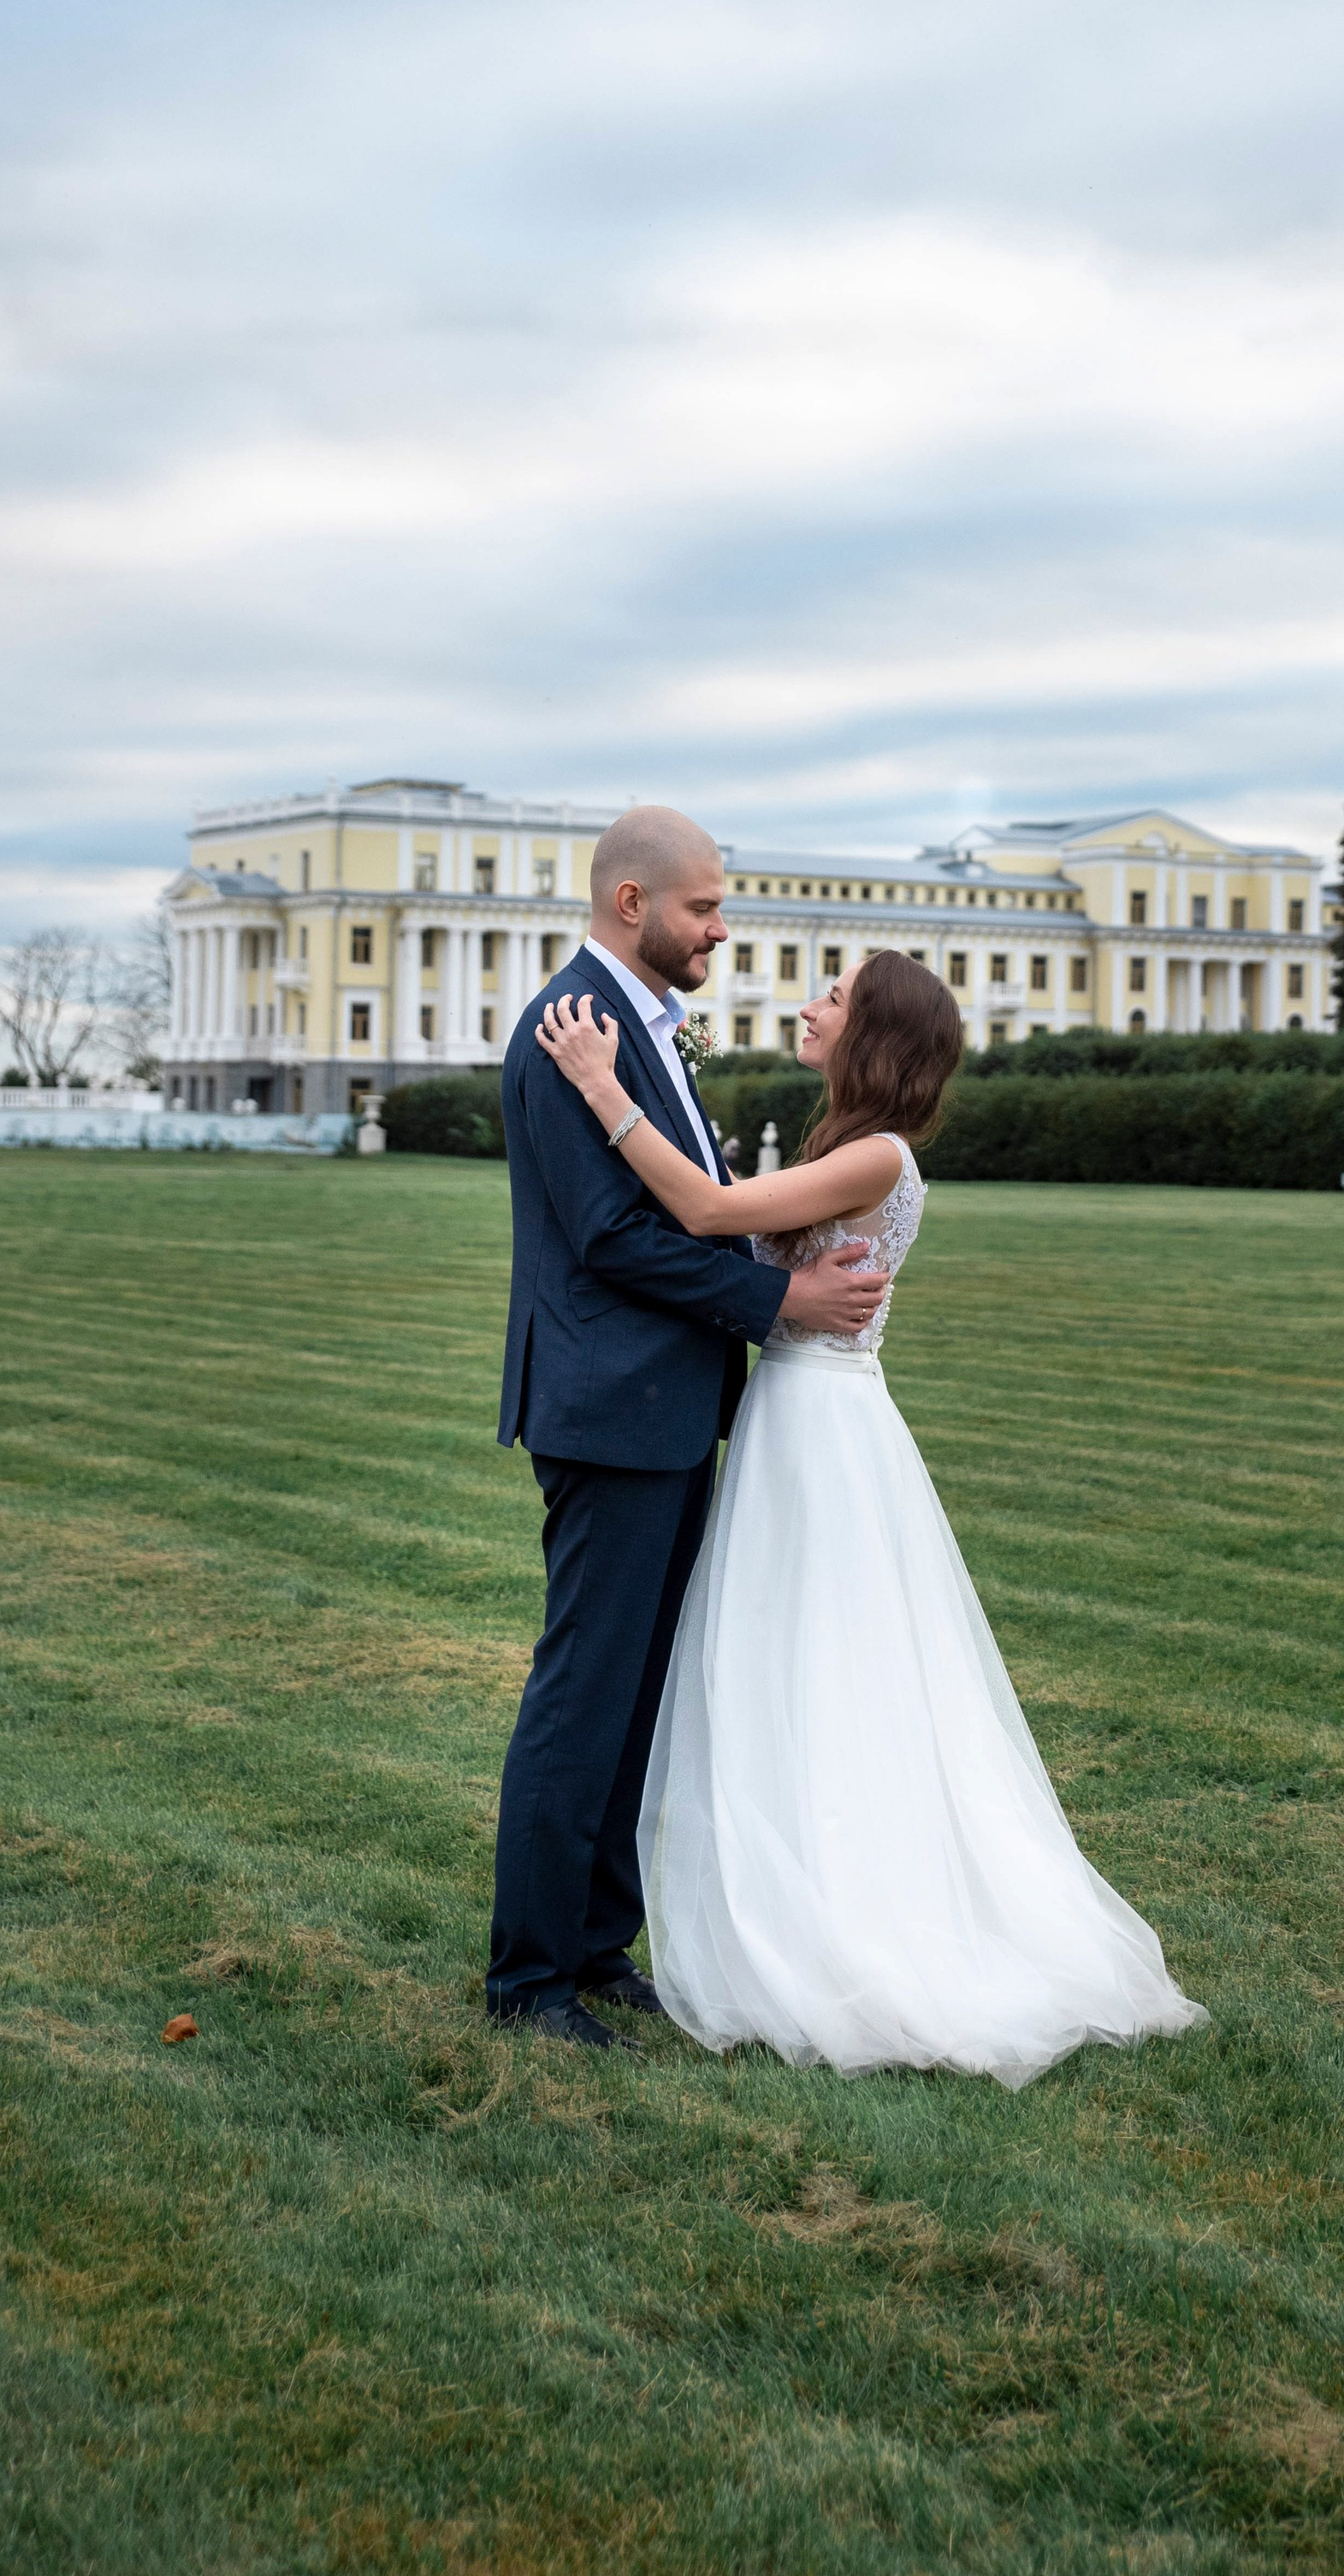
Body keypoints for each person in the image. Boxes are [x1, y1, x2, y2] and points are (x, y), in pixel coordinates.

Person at [535, 944, 1206, 2088]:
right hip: (795, 1422)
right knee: (784, 1665)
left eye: (832, 997)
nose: (808, 1004)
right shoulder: (842, 1146)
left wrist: (605, 1089)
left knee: (826, 1671)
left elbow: (704, 1208)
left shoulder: (878, 1158)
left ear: (876, 1034)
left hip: (824, 1437)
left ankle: (848, 1924)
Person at [487, 807, 891, 2050]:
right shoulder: (574, 1029)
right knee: (585, 1692)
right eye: (704, 909)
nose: (720, 928)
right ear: (631, 907)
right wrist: (783, 1302)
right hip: (612, 1413)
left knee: (637, 1698)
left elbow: (695, 1211)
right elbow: (616, 1240)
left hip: (664, 1410)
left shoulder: (636, 1028)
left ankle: (601, 1951)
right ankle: (532, 1982)